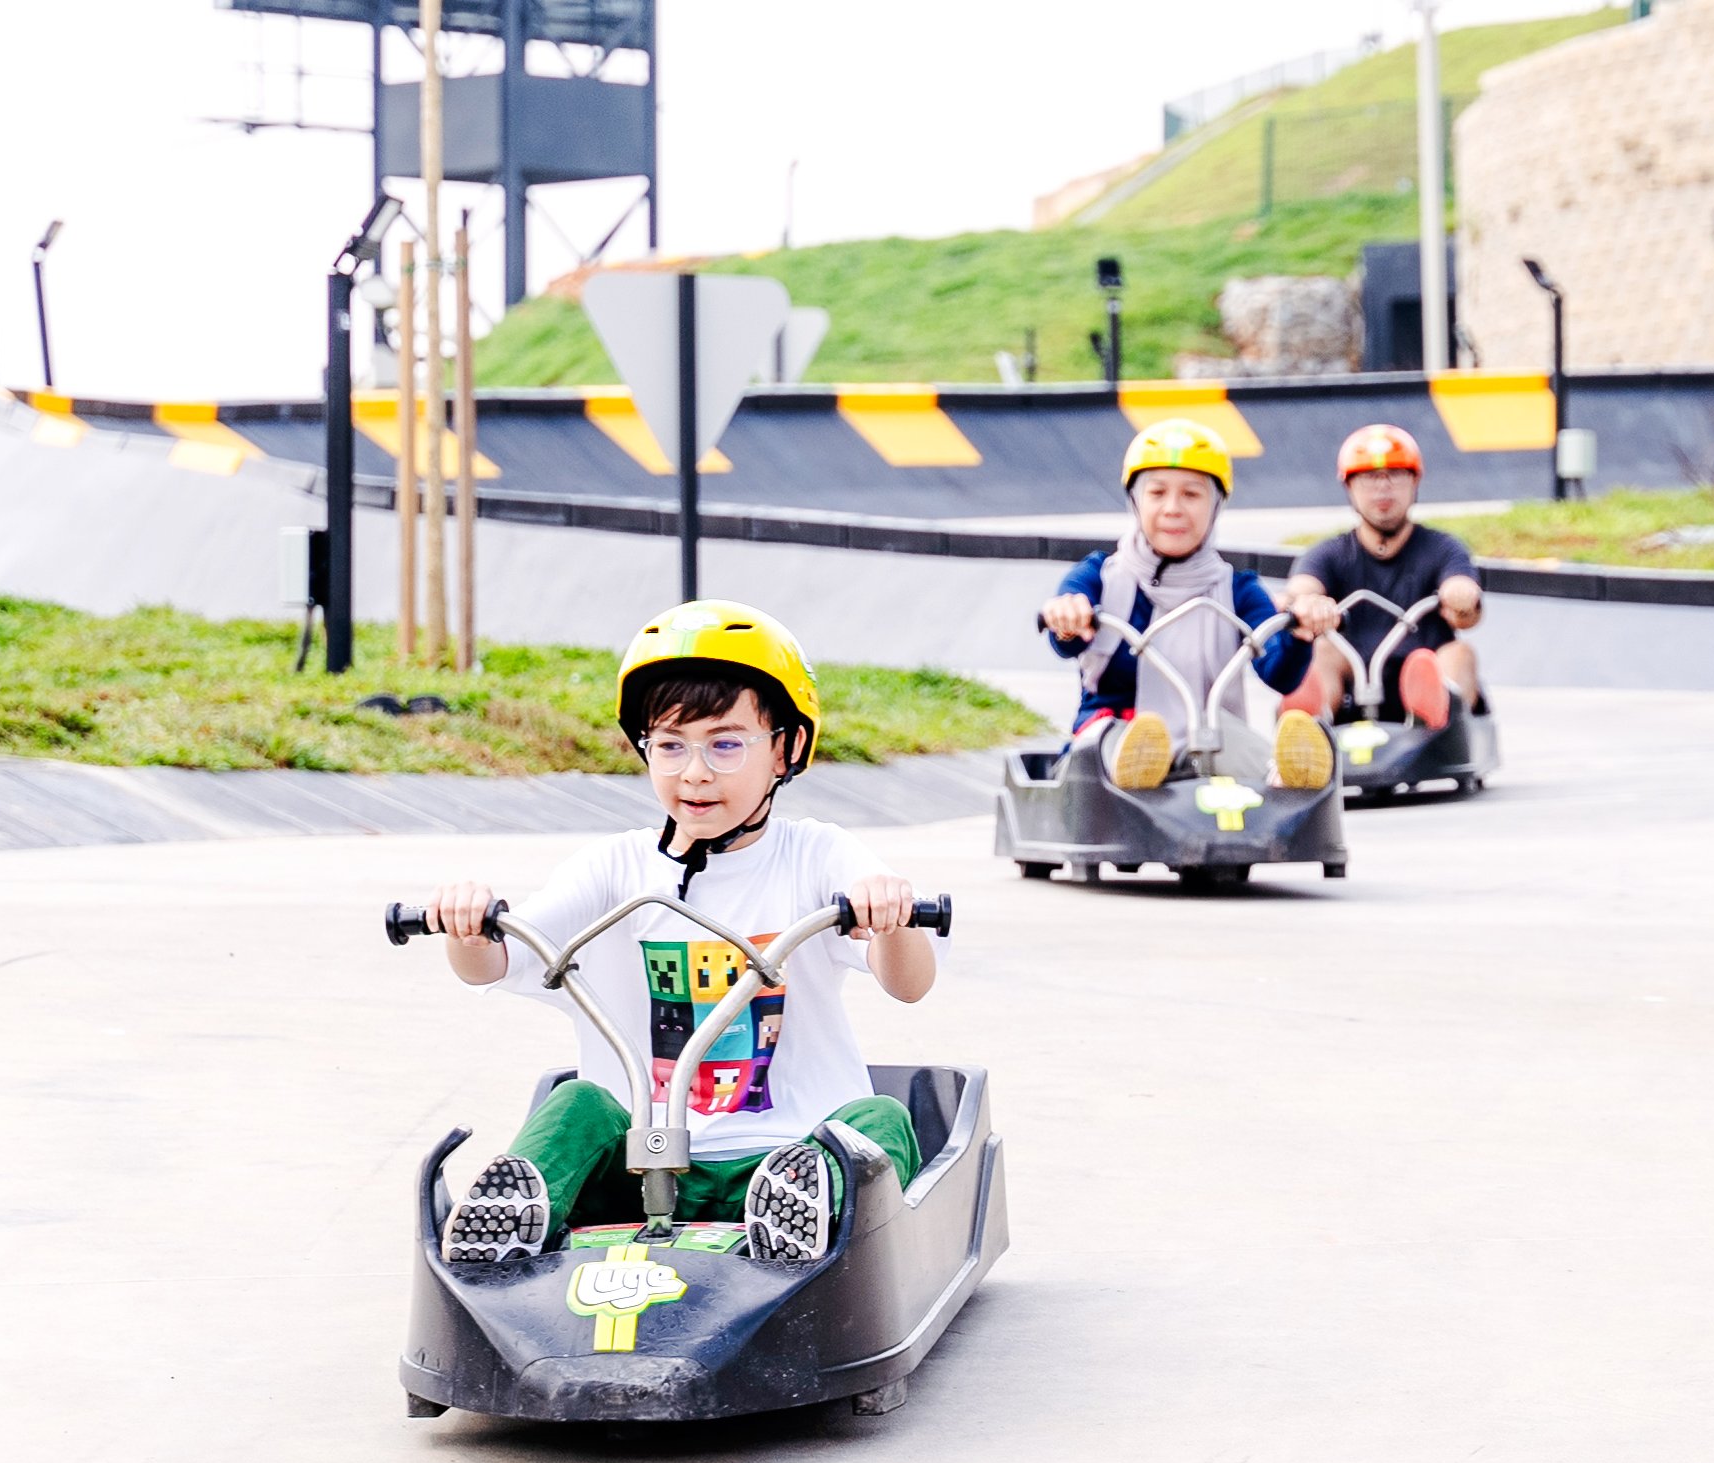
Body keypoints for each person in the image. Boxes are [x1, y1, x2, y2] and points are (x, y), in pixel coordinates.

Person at [420, 600, 936, 1266]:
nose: (694, 771)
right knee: (578, 1101)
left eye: (725, 743)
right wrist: (469, 923)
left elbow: (910, 983)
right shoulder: (615, 867)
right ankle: (511, 1222)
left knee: (880, 1120)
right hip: (645, 1164)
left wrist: (888, 913)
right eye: (670, 745)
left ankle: (803, 1205)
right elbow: (498, 958)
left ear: (786, 746)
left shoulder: (817, 856)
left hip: (784, 1159)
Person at [1039, 418, 1337, 790]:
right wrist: (1067, 617)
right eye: (1158, 493)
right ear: (1136, 501)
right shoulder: (1099, 575)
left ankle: (1289, 781)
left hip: (1204, 731)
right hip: (1116, 726)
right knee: (1120, 746)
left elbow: (1278, 672)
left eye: (1192, 495)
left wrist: (1300, 635)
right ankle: (1138, 773)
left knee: (1246, 755)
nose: (1173, 508)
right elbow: (1067, 636)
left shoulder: (1237, 589)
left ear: (1215, 506)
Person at [1282, 424, 1485, 730]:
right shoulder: (1328, 554)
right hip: (1352, 679)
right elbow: (1300, 589)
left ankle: (1437, 717)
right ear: (1349, 486)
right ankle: (1308, 723)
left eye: (1396, 475)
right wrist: (1302, 604)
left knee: (1459, 653)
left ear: (1415, 481)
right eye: (1368, 477)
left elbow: (1464, 601)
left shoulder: (1443, 548)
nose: (1383, 487)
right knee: (1320, 650)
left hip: (1422, 668)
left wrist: (1461, 596)